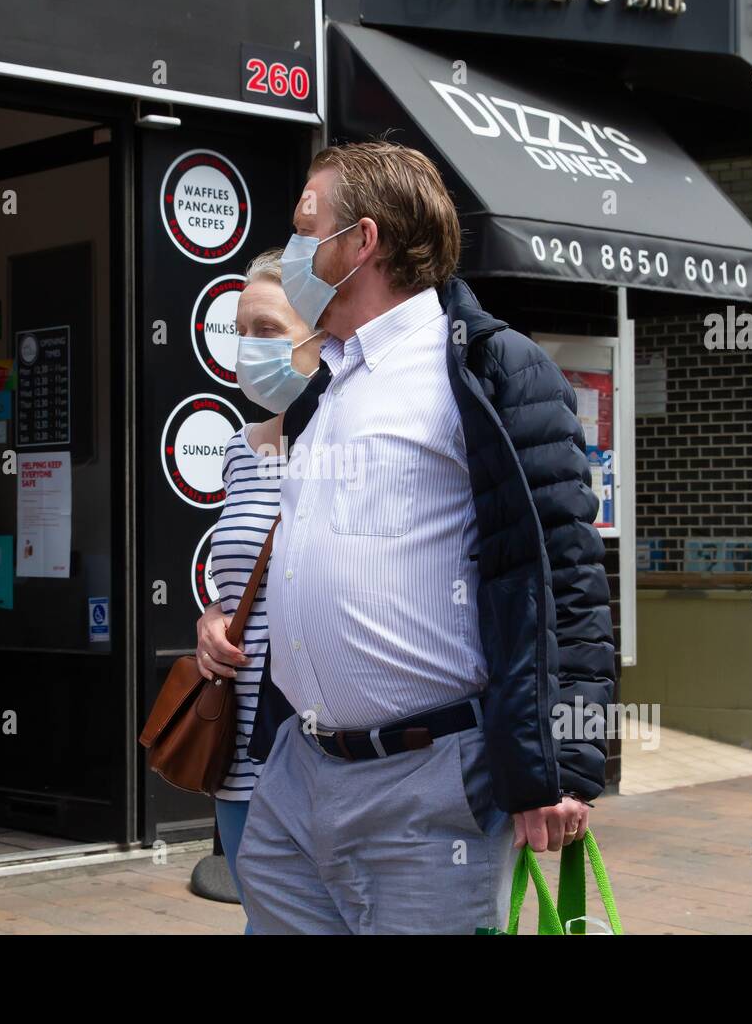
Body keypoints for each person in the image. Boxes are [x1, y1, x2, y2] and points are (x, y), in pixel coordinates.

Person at [224, 141, 615, 934]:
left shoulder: (487, 368)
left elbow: (568, 572)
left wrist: (566, 765)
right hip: (297, 779)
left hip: (429, 787)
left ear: (362, 241)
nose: (294, 248)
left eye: (308, 229)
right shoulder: (322, 385)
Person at [194, 248, 323, 927]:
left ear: (318, 330)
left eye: (268, 329)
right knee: (261, 916)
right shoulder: (241, 448)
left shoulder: (343, 443)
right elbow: (235, 575)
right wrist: (210, 617)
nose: (250, 348)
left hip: (316, 741)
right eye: (242, 330)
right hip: (236, 737)